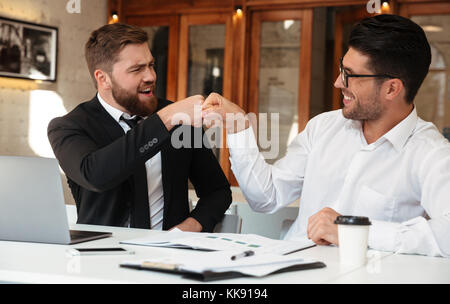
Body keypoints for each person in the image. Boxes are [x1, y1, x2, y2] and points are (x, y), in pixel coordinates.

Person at [202, 14, 450, 257]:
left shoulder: (431, 153)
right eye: (342, 69)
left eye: (350, 75)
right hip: (289, 271)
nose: (337, 83)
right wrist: (239, 127)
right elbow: (267, 198)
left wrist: (354, 231)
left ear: (392, 88)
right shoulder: (322, 128)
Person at [48, 23, 232, 232]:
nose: (151, 76)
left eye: (151, 65)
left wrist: (189, 228)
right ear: (103, 78)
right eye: (137, 69)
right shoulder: (68, 127)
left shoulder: (182, 118)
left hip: (172, 258)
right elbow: (96, 175)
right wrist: (167, 118)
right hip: (101, 258)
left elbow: (217, 191)